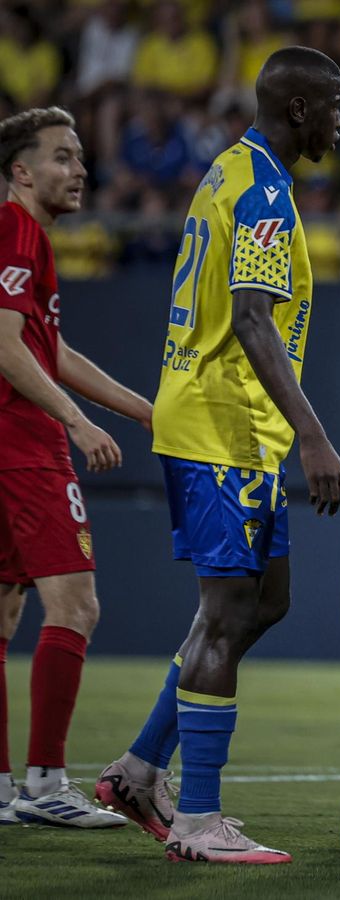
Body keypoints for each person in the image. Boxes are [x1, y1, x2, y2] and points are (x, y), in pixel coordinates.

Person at [93, 46, 340, 864]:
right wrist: (313, 432)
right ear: (300, 109)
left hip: (230, 424)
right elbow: (250, 317)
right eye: (334, 105)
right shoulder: (266, 188)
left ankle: (139, 768)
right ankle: (198, 818)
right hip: (223, 424)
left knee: (264, 600)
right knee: (228, 610)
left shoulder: (229, 171)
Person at [0, 106, 150, 830]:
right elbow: (5, 349)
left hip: (14, 440)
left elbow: (44, 348)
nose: (79, 169)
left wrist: (137, 408)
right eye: (62, 156)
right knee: (77, 605)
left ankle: (6, 789)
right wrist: (79, 421)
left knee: (3, 615)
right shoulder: (15, 230)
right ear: (21, 171)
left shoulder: (31, 238)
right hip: (22, 446)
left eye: (81, 156)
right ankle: (46, 784)